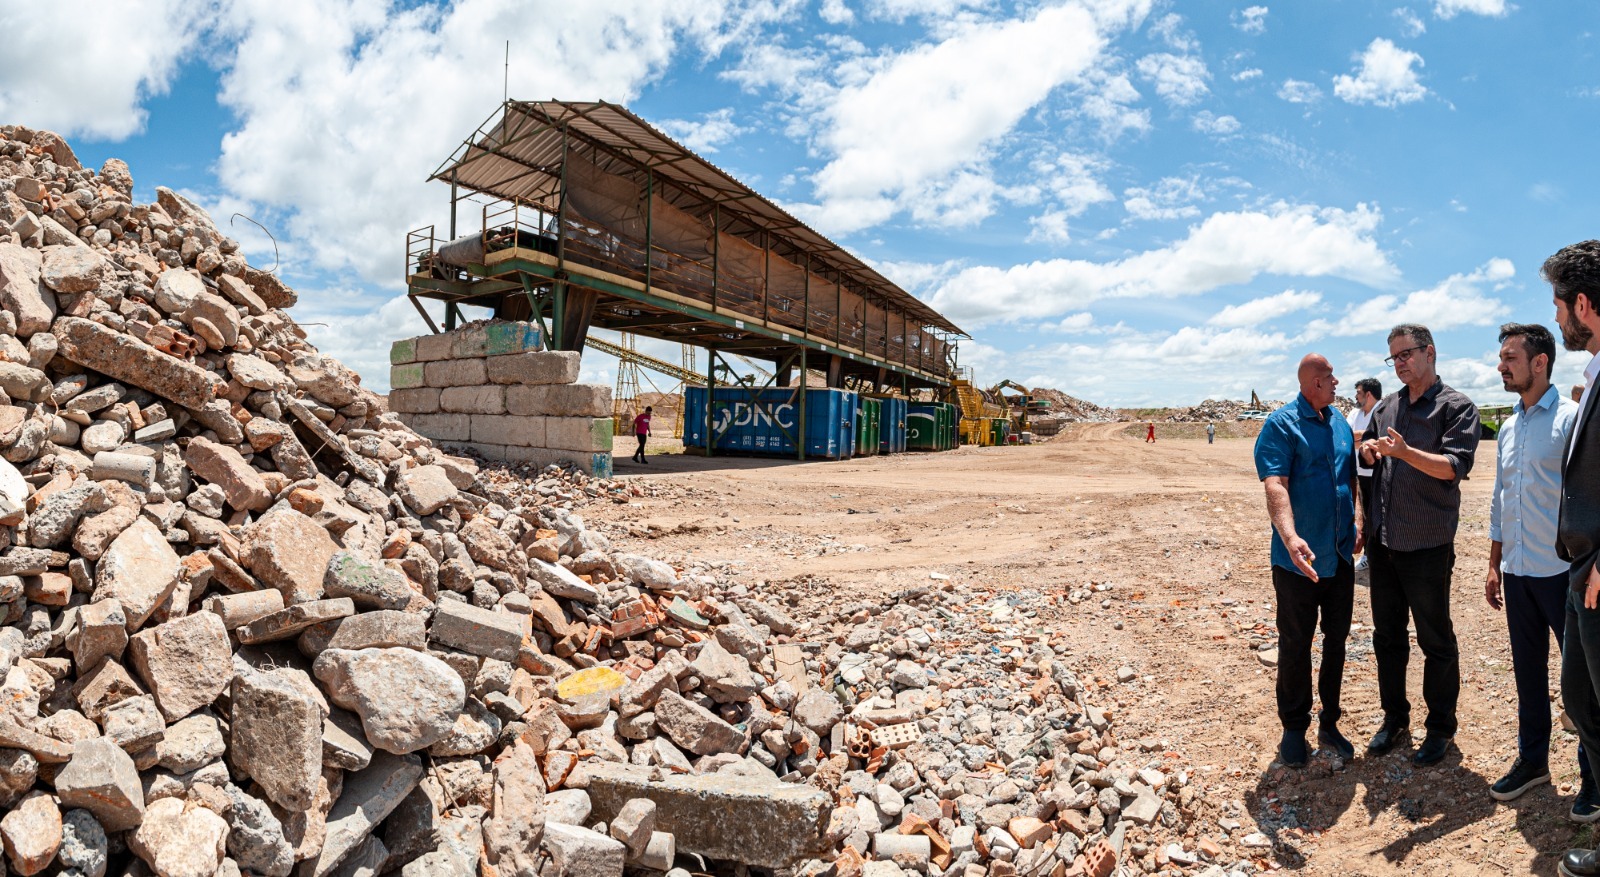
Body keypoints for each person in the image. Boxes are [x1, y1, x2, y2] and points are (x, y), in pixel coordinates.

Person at [1359, 324, 1480, 767]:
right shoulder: (1386, 406)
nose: (1399, 363)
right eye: (1393, 358)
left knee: (1435, 639)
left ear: (1430, 352)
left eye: (1406, 354)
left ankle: (1441, 728)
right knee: (1387, 638)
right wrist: (1372, 451)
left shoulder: (1457, 407)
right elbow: (1372, 461)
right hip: (1385, 543)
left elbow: (1454, 466)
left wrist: (1406, 452)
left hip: (1427, 545)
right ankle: (1395, 720)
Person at [1484, 323, 1589, 804]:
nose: (1501, 366)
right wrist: (1494, 562)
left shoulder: (1572, 419)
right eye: (1502, 358)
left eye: (1510, 357)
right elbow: (1500, 498)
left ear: (1540, 362)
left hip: (1563, 574)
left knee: (1584, 683)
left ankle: (1593, 778)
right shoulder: (1508, 426)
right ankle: (1533, 763)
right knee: (1528, 675)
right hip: (1518, 573)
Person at [1254, 354, 1361, 766]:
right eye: (1331, 376)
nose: (1337, 381)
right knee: (1296, 643)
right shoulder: (1281, 425)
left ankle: (1330, 722)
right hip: (1297, 561)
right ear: (1314, 382)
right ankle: (1293, 729)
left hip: (1338, 555)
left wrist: (1359, 520)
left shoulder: (1339, 424)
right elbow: (1275, 485)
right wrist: (1291, 535)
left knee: (1336, 642)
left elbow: (1348, 479)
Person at [1547, 243, 1600, 876]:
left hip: (1598, 574)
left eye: (1558, 307)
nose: (1558, 320)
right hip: (1579, 568)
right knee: (1582, 702)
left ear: (1582, 304)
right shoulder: (1594, 372)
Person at [1349, 378, 1382, 571]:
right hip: (1359, 473)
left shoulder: (1383, 410)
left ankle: (1375, 556)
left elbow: (1378, 440)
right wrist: (1367, 437)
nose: (1355, 397)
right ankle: (1368, 555)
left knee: (1377, 515)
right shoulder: (1355, 413)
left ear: (1368, 394)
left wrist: (1363, 437)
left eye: (1359, 393)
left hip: (1377, 474)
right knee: (1362, 516)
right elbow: (1345, 436)